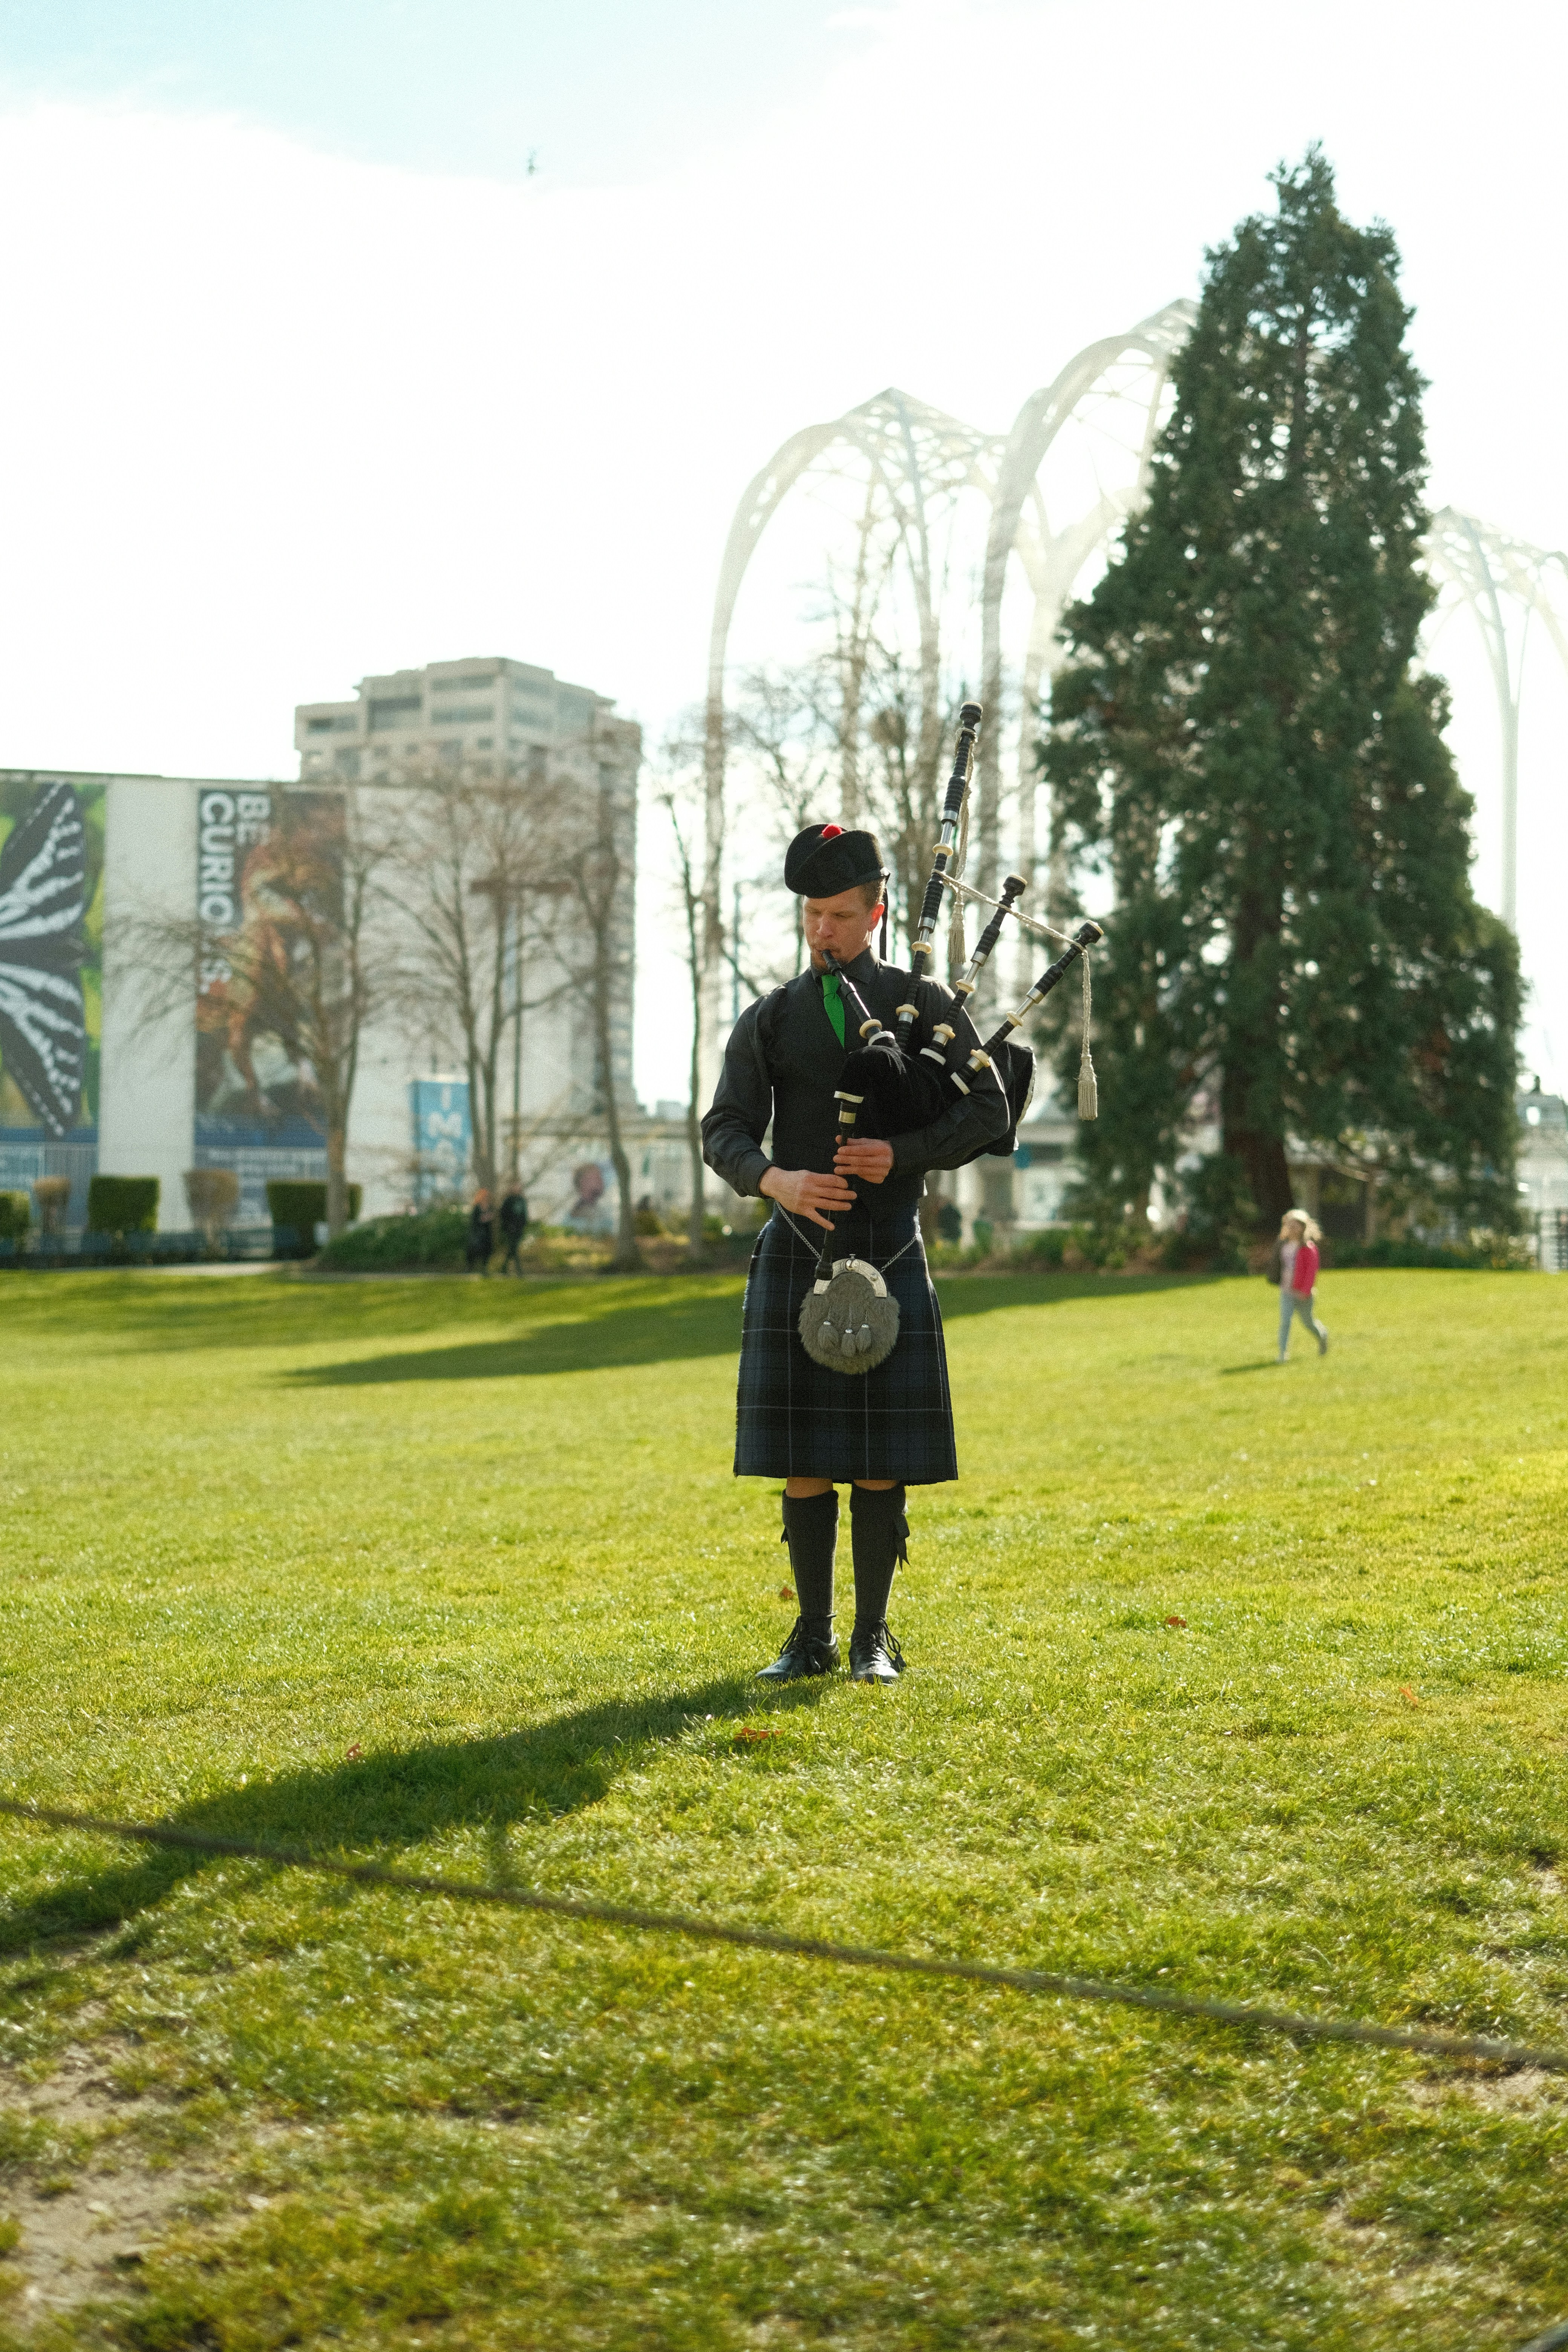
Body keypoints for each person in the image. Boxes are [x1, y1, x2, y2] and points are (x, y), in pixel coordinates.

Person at [701, 823, 1008, 1686]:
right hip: (796, 1249)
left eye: (840, 914)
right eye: (812, 913)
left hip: (889, 1246)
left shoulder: (922, 1006)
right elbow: (721, 1129)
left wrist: (900, 1154)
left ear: (874, 914)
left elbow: (987, 1112)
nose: (822, 930)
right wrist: (774, 1180)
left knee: (878, 1460)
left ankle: (873, 1636)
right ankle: (811, 1634)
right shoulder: (772, 1019)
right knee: (803, 1459)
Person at [1272, 1208, 1328, 1360]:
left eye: (1296, 1225)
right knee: (1285, 1321)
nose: (1292, 1228)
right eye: (1290, 1224)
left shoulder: (1308, 1248)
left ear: (1303, 1227)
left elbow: (1311, 1272)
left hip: (1303, 1293)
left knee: (1308, 1322)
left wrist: (1305, 1291)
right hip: (1287, 1290)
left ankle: (1322, 1335)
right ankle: (1283, 1353)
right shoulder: (1283, 1245)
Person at [498, 1183, 528, 1275]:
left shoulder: (522, 1201)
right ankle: (519, 1271)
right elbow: (503, 1215)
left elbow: (525, 1215)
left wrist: (523, 1225)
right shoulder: (508, 1201)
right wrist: (509, 1226)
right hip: (510, 1229)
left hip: (519, 1229)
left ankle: (504, 1268)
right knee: (514, 1248)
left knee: (513, 1248)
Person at [466, 1187, 494, 1276]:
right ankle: (470, 1267)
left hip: (487, 1233)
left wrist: (489, 1218)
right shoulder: (477, 1208)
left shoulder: (490, 1207)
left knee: (487, 1251)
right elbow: (474, 1220)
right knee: (475, 1250)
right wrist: (483, 1219)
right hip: (478, 1233)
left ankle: (484, 1269)